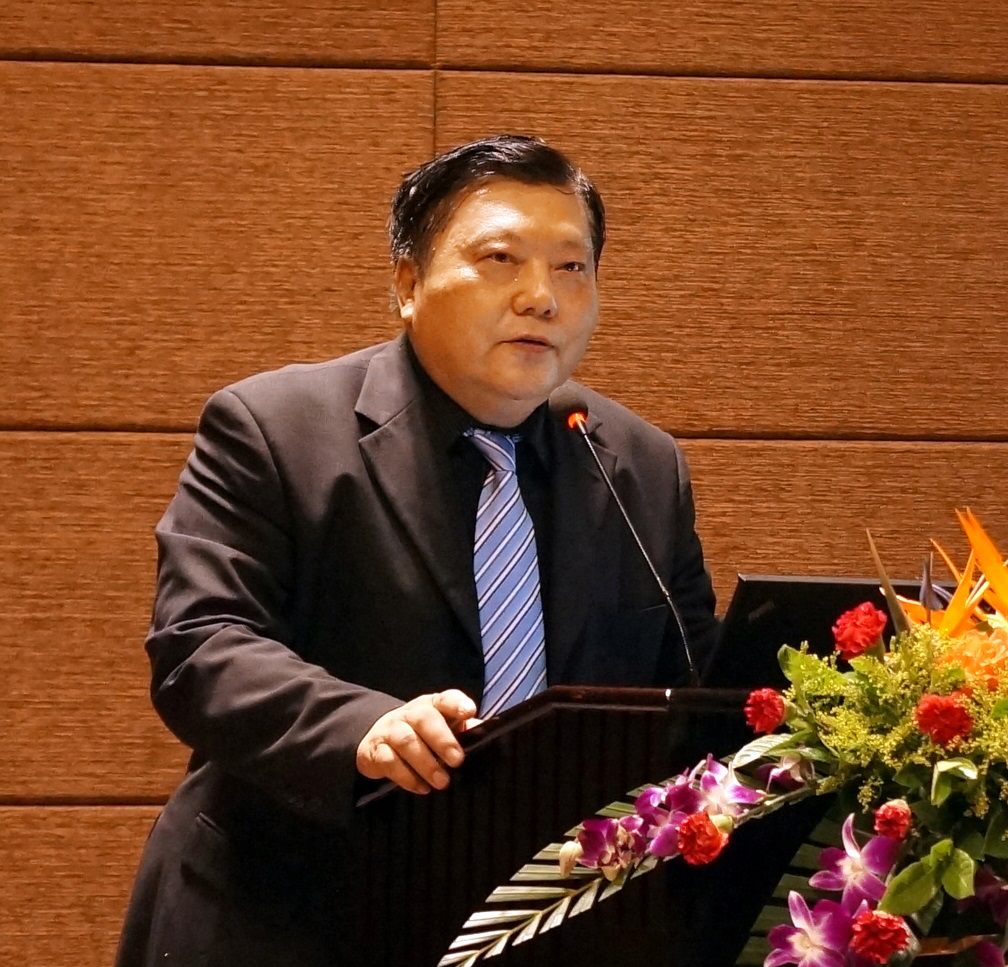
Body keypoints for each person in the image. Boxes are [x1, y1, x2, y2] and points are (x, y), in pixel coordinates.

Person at [114, 135, 719, 967]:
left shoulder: (639, 464)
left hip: (540, 923)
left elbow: (695, 690)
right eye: (500, 259)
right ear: (407, 284)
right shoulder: (274, 429)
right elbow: (201, 646)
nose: (540, 297)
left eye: (571, 267)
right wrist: (363, 725)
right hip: (291, 914)